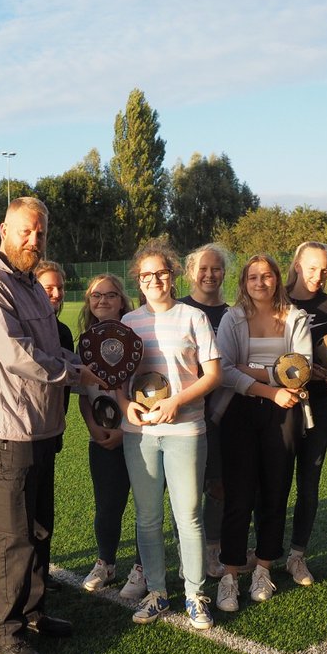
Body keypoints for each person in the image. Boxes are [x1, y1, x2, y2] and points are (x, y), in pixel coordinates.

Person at [0, 197, 100, 654]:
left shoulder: (30, 285)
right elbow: (16, 353)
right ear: (4, 229)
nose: (33, 240)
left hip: (43, 427)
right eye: (25, 231)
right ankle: (5, 632)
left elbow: (47, 345)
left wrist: (70, 369)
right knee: (13, 536)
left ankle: (34, 611)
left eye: (40, 233)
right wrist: (75, 374)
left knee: (41, 525)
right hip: (10, 431)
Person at [119, 238, 221, 630]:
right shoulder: (129, 323)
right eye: (146, 275)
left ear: (173, 275)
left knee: (188, 516)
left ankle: (195, 594)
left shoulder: (192, 317)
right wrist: (124, 403)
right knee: (147, 517)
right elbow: (117, 379)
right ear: (139, 282)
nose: (154, 280)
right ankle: (158, 592)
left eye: (161, 273)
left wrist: (177, 401)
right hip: (140, 432)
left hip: (185, 429)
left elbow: (212, 375)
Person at [211, 255, 309, 610]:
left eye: (266, 276)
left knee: (275, 492)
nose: (260, 282)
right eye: (253, 277)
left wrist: (251, 369)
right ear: (244, 282)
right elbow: (223, 370)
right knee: (238, 496)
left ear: (277, 279)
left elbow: (302, 368)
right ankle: (230, 575)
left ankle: (263, 569)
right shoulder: (232, 318)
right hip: (241, 411)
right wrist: (272, 383)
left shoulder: (296, 318)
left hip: (285, 413)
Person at [75, 274, 143, 598]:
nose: (102, 301)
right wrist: (93, 426)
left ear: (122, 300)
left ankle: (143, 567)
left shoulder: (136, 337)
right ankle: (106, 562)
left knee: (146, 506)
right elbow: (82, 395)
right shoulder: (84, 342)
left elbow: (147, 388)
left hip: (137, 435)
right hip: (101, 436)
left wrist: (124, 429)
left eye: (110, 295)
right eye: (96, 296)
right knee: (107, 506)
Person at [282, 242, 327, 583]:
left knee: (309, 481)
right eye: (311, 268)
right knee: (273, 481)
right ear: (297, 265)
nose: (317, 276)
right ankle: (265, 556)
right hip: (281, 403)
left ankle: (297, 555)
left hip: (319, 405)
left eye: (324, 270)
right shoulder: (276, 299)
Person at [178, 244, 233, 581]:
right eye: (203, 269)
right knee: (186, 491)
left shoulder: (233, 313)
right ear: (191, 273)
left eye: (216, 269)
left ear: (224, 272)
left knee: (218, 486)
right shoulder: (178, 309)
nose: (210, 274)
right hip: (185, 413)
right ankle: (188, 553)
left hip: (224, 415)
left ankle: (212, 550)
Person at [34, 259, 72, 592]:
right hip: (18, 431)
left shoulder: (63, 332)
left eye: (59, 287)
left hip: (51, 429)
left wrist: (60, 425)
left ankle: (40, 576)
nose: (56, 294)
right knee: (19, 515)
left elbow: (67, 389)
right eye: (48, 288)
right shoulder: (24, 327)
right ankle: (12, 583)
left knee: (44, 512)